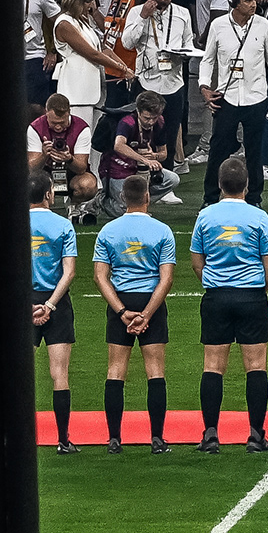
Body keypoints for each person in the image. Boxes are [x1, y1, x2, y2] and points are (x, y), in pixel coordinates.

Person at [188, 155, 268, 449]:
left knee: (213, 366)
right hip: (251, 295)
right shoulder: (258, 217)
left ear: (219, 184)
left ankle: (211, 433)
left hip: (216, 296)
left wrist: (212, 281)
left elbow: (196, 260)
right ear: (247, 184)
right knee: (256, 366)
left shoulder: (206, 216)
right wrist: (258, 289)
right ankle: (256, 434)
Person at [92, 174, 179, 451]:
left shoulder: (108, 231)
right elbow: (166, 279)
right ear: (147, 197)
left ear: (121, 199)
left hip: (121, 300)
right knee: (155, 371)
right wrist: (148, 314)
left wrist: (121, 312)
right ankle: (157, 438)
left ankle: (114, 439)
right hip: (150, 301)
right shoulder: (162, 230)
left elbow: (100, 277)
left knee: (116, 370)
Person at [29, 157, 82, 453]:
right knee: (59, 374)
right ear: (49, 194)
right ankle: (63, 439)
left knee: (21, 374)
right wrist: (49, 305)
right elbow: (70, 271)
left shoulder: (14, 223)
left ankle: (21, 437)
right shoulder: (62, 225)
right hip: (57, 301)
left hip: (25, 303)